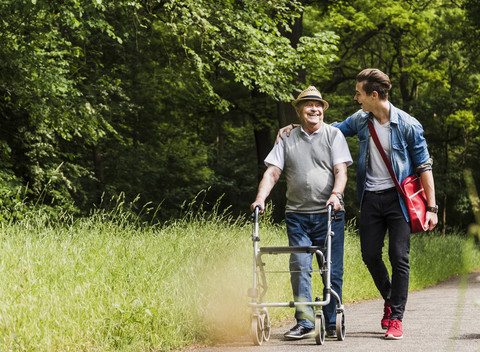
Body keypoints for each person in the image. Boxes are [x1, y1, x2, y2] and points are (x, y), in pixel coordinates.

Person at [277, 68, 438, 340]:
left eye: (359, 93)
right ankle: (390, 297)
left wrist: (432, 208)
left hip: (399, 201)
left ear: (374, 95)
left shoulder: (408, 125)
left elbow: (424, 166)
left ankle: (396, 317)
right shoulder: (361, 120)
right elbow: (329, 131)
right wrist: (297, 128)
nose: (356, 98)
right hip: (371, 199)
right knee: (370, 255)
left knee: (399, 258)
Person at [251, 86, 352, 340]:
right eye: (308, 105)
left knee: (332, 270)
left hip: (329, 214)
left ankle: (330, 321)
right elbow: (273, 172)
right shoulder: (286, 137)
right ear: (298, 110)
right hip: (297, 215)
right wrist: (260, 199)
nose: (314, 109)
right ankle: (305, 321)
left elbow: (341, 171)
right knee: (299, 265)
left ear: (323, 110)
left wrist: (336, 195)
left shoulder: (334, 135)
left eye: (318, 105)